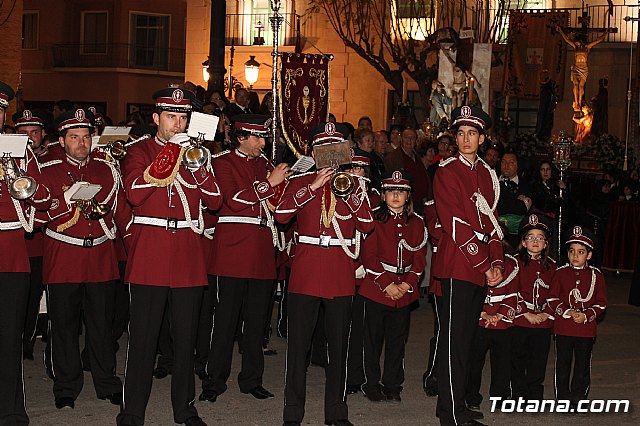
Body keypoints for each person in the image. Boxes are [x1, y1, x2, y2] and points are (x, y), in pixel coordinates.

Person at [117, 87, 222, 426]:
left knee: (186, 339)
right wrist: (172, 153)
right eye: (171, 117)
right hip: (151, 250)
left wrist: (199, 166)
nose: (178, 123)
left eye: (183, 118)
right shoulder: (139, 150)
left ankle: (185, 409)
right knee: (144, 340)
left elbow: (216, 201)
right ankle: (132, 411)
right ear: (155, 118)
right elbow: (134, 193)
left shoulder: (199, 154)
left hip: (188, 252)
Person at [276, 122, 374, 426]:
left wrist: (355, 190)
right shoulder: (302, 180)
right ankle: (293, 412)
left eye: (337, 149)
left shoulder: (354, 183)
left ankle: (336, 412)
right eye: (325, 149)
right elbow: (281, 215)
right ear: (314, 152)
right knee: (298, 347)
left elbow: (368, 226)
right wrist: (313, 186)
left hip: (339, 271)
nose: (332, 156)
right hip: (306, 270)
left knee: (339, 346)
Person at [38, 108, 130, 410]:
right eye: (74, 137)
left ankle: (107, 382)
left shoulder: (106, 168)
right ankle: (66, 386)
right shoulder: (47, 168)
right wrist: (67, 199)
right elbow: (40, 215)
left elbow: (119, 211)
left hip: (101, 254)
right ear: (62, 140)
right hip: (64, 254)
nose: (81, 142)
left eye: (86, 136)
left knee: (102, 325)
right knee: (63, 326)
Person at [199, 115, 290, 403]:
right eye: (257, 137)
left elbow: (277, 206)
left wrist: (285, 181)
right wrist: (269, 183)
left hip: (262, 250)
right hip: (232, 251)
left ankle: (252, 379)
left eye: (263, 137)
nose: (263, 143)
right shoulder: (222, 162)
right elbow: (231, 200)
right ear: (240, 137)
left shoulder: (265, 164)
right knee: (224, 321)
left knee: (256, 323)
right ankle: (214, 380)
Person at [432, 105, 504, 426]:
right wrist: (483, 262)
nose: (465, 139)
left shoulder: (488, 174)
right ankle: (451, 412)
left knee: (468, 341)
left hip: (479, 267)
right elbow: (455, 224)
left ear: (482, 138)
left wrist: (497, 260)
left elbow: (493, 223)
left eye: (471, 134)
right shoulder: (447, 171)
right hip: (458, 265)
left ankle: (456, 403)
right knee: (454, 342)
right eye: (460, 134)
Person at [0, 80, 51, 426]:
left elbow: (43, 197)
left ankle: (11, 409)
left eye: (0, 109)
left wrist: (20, 180)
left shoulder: (17, 147)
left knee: (8, 338)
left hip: (10, 253)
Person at [358, 170, 427, 402]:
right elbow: (369, 257)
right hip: (377, 289)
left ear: (408, 196)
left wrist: (407, 284)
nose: (395, 196)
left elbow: (419, 259)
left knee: (398, 340)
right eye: (390, 191)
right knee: (373, 340)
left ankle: (393, 384)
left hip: (404, 290)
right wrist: (387, 285)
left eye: (401, 192)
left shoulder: (416, 223)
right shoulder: (374, 219)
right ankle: (371, 383)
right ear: (384, 195)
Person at [546, 226, 607, 409]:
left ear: (588, 255)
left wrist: (587, 315)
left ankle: (579, 397)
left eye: (581, 252)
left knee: (582, 366)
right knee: (562, 364)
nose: (575, 256)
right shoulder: (561, 273)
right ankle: (563, 399)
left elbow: (601, 302)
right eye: (572, 251)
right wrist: (568, 312)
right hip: (564, 327)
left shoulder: (597, 275)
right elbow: (552, 297)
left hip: (586, 330)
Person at [12, 109, 50, 360]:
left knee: (34, 294)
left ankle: (27, 341)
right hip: (15, 241)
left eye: (34, 133)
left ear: (43, 134)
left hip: (39, 242)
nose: (29, 138)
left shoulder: (51, 158)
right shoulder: (11, 159)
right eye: (23, 133)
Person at [511, 214, 557, 401]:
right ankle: (518, 394)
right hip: (521, 319)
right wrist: (525, 313)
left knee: (538, 360)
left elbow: (556, 293)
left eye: (540, 237)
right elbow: (511, 290)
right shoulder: (514, 263)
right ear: (523, 242)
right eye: (530, 237)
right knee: (517, 360)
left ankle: (534, 395)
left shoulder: (552, 267)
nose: (535, 241)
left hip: (543, 321)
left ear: (546, 243)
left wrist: (547, 313)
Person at [465, 252, 518, 411]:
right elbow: (468, 292)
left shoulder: (510, 264)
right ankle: (471, 396)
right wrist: (483, 313)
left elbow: (513, 292)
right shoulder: (474, 259)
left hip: (502, 322)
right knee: (473, 361)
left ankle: (500, 396)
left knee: (502, 361)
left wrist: (500, 315)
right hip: (479, 320)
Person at [555, 25, 611, 113]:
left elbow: (598, 41)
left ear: (580, 41)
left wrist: (605, 33)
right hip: (576, 68)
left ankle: (580, 102)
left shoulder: (587, 47)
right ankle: (576, 101)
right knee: (575, 85)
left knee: (581, 86)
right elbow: (567, 40)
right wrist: (561, 31)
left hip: (583, 69)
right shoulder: (575, 47)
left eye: (577, 42)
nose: (575, 43)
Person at [383, 127, 431, 213]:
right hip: (405, 205)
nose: (409, 140)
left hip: (421, 203)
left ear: (416, 141)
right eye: (406, 137)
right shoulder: (392, 158)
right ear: (401, 139)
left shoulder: (417, 157)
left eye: (412, 138)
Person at [497, 151, 533, 250]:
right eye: (503, 162)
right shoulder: (492, 183)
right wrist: (515, 203)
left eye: (511, 162)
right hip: (497, 235)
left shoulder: (526, 185)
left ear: (518, 165)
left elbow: (522, 209)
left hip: (519, 238)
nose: (506, 166)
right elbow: (495, 207)